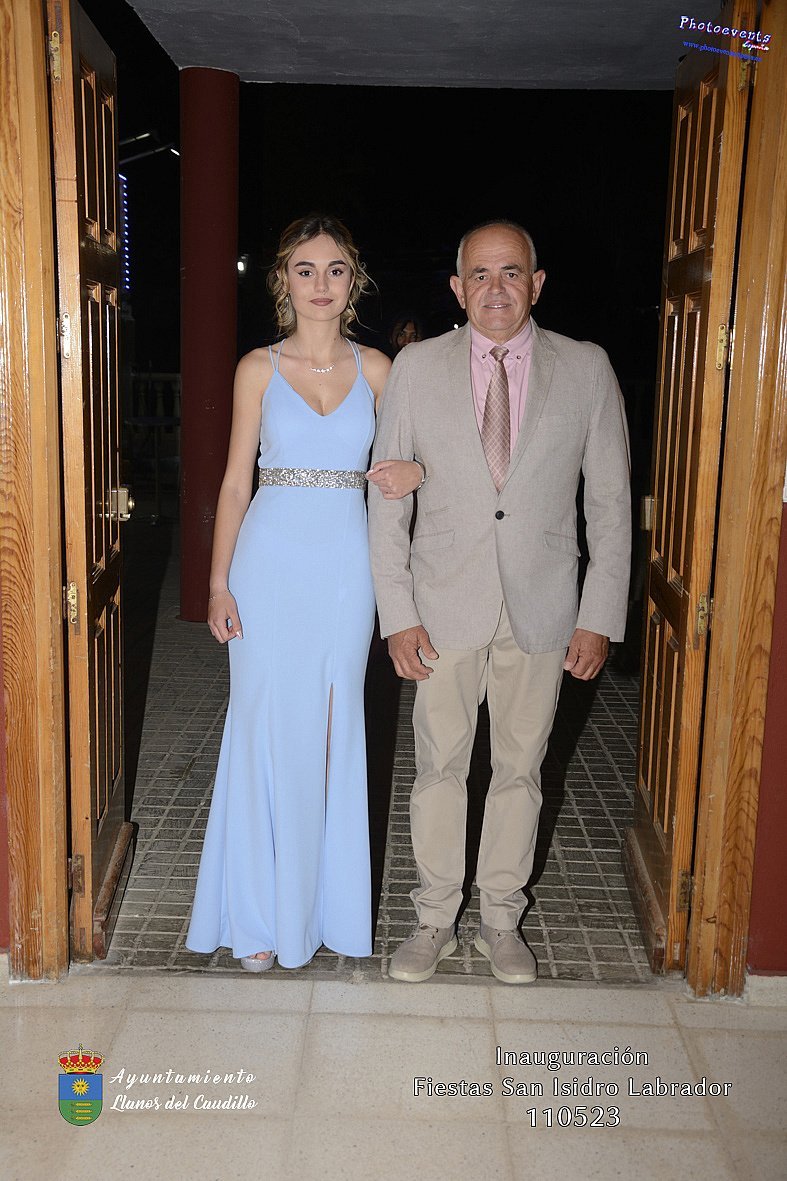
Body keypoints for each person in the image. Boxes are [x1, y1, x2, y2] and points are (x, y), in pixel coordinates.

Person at [367, 219, 631, 985]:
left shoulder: (586, 368)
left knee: (520, 769)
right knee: (438, 769)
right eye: (479, 274)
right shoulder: (416, 367)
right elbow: (387, 499)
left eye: (510, 272)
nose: (495, 287)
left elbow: (609, 505)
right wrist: (397, 613)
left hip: (543, 607)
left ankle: (499, 921)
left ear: (536, 284)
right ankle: (432, 919)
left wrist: (597, 615)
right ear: (456, 287)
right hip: (441, 603)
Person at [186, 213, 423, 972]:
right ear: (282, 281)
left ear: (355, 281)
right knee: (262, 726)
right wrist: (218, 583)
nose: (321, 284)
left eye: (335, 269)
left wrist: (417, 469)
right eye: (305, 269)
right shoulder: (256, 368)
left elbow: (418, 455)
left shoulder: (380, 369)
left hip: (347, 568)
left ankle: (322, 912)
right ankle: (259, 916)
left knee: (330, 731)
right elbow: (234, 484)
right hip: (267, 562)